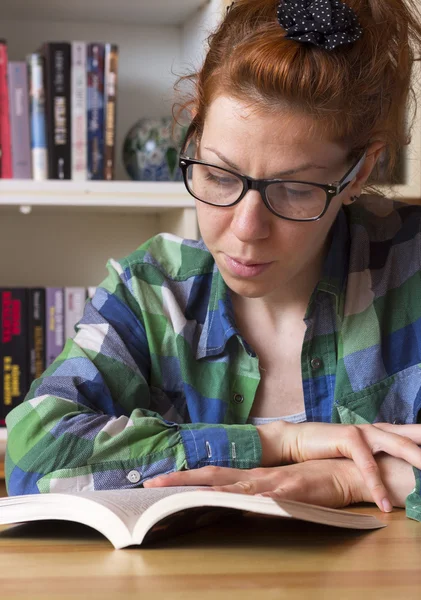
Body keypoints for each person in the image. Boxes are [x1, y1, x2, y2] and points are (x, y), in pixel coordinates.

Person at [5, 0, 421, 520]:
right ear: (194, 132)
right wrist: (279, 445)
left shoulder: (412, 270)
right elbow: (33, 451)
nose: (245, 229)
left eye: (293, 191)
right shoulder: (153, 289)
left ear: (359, 174)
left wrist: (349, 477)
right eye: (219, 177)